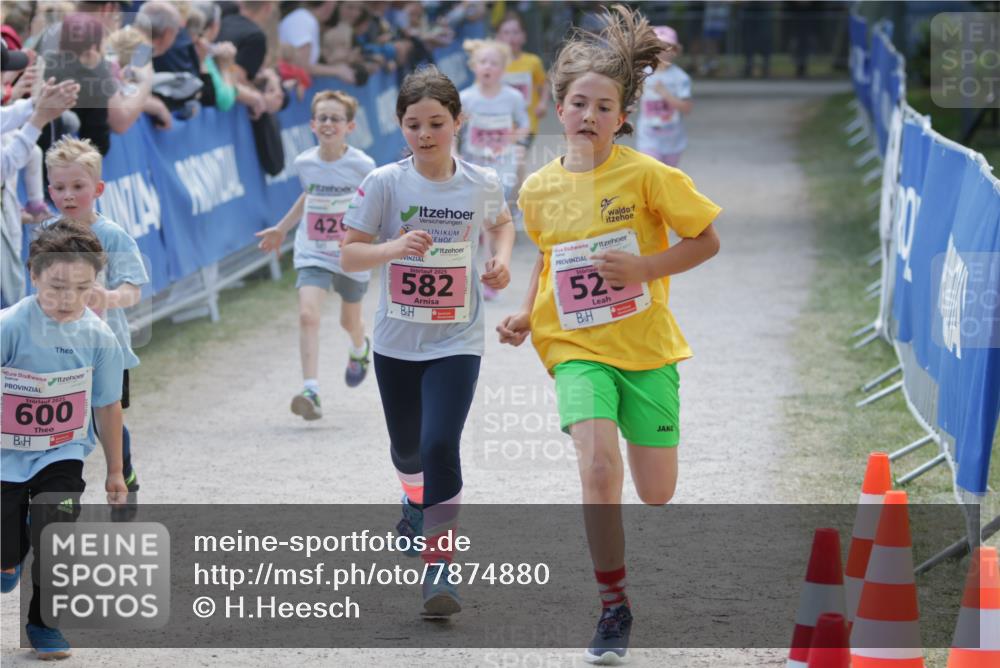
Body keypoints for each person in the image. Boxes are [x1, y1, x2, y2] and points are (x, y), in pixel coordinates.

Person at [497, 6, 721, 664]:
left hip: (646, 348)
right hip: (574, 347)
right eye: (578, 103)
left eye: (604, 106)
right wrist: (523, 311)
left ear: (622, 116)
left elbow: (706, 239)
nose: (589, 115)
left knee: (656, 492)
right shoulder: (538, 189)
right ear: (557, 109)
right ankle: (613, 604)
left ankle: (621, 578)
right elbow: (548, 257)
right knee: (597, 466)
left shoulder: (648, 175)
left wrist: (647, 267)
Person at [340, 65, 515, 618]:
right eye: (413, 124)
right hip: (396, 341)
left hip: (457, 338)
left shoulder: (481, 181)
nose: (424, 134)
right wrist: (394, 248)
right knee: (408, 450)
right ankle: (411, 501)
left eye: (436, 123)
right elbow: (349, 252)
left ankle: (440, 565)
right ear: (400, 127)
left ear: (457, 122)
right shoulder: (385, 183)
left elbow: (502, 223)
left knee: (440, 444)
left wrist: (501, 260)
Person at [0, 219, 128, 660]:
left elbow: (108, 405)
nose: (68, 299)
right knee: (7, 547)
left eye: (82, 287)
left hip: (63, 451)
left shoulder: (98, 336)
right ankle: (8, 557)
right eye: (55, 286)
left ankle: (44, 625)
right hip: (5, 457)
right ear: (33, 274)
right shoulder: (9, 326)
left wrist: (115, 470)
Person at [44, 136, 149, 519]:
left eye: (77, 187)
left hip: (106, 349)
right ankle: (62, 493)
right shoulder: (47, 232)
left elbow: (134, 289)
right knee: (64, 422)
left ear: (98, 189)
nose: (67, 196)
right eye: (58, 187)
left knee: (105, 417)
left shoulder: (113, 236)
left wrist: (106, 297)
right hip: (55, 347)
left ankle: (123, 471)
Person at [255, 90, 376, 420]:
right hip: (313, 250)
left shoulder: (362, 165)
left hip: (350, 252)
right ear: (312, 124)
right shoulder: (305, 162)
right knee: (308, 314)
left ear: (349, 126)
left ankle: (360, 348)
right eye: (322, 117)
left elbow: (374, 204)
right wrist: (282, 228)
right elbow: (308, 196)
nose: (328, 123)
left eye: (335, 118)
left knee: (348, 321)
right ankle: (311, 390)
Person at [458, 38, 527, 301]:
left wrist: (515, 142)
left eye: (495, 63)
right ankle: (486, 273)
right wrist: (453, 154)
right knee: (483, 224)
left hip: (502, 166)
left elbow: (522, 123)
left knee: (489, 223)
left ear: (504, 68)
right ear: (474, 66)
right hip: (474, 164)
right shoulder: (466, 98)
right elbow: (455, 130)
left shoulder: (513, 97)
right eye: (483, 62)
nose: (488, 67)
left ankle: (489, 275)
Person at [636, 26, 693, 168]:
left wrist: (665, 94)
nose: (664, 52)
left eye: (669, 47)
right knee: (651, 170)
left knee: (667, 179)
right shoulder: (644, 74)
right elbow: (633, 97)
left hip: (673, 139)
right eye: (659, 48)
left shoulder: (680, 78)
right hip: (648, 137)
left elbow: (686, 108)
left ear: (675, 51)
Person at [496, 12, 547, 145]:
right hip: (499, 125)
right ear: (498, 37)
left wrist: (542, 103)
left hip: (526, 124)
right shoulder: (493, 64)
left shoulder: (533, 62)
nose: (511, 37)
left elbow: (544, 84)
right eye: (506, 33)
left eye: (515, 32)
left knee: (518, 160)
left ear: (524, 36)